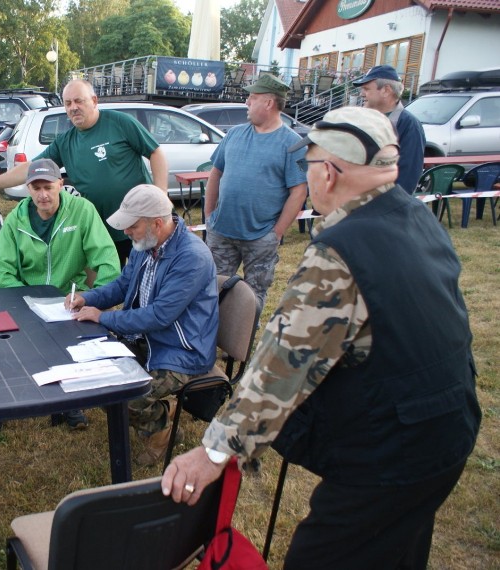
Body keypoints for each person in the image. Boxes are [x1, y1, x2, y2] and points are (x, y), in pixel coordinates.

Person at [162, 107, 480, 570]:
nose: (306, 177)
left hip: (394, 451)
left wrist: (212, 453)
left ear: (328, 173)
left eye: (308, 166)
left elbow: (282, 363)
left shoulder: (342, 253)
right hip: (447, 426)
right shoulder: (415, 215)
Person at [67, 184, 218, 466]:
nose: (126, 232)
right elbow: (123, 285)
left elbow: (159, 316)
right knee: (97, 382)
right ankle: (162, 413)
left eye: (131, 226)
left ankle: (160, 429)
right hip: (148, 340)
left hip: (182, 352)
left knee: (126, 398)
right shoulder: (145, 243)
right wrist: (88, 297)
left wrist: (102, 317)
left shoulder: (191, 258)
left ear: (157, 224)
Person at [0, 158, 121, 431]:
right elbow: (1, 267)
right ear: (27, 189)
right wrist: (22, 299)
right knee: (5, 346)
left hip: (67, 298)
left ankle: (71, 405)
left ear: (61, 184)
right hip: (25, 298)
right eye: (35, 188)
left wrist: (94, 297)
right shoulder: (16, 219)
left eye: (48, 186)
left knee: (70, 346)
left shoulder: (82, 211)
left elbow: (107, 259)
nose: (43, 194)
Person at [0, 79, 169, 265]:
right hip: (102, 230)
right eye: (68, 103)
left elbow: (155, 152)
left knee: (152, 276)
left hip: (139, 222)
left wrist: (160, 195)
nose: (73, 107)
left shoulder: (119, 122)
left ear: (94, 101)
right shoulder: (65, 143)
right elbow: (31, 169)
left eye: (79, 101)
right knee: (111, 284)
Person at [204, 74, 308, 312]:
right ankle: (208, 343)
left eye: (252, 98)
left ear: (269, 103)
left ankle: (239, 349)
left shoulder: (293, 144)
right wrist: (210, 217)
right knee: (211, 292)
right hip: (221, 232)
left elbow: (299, 192)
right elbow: (215, 174)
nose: (247, 103)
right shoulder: (234, 134)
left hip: (260, 237)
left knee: (253, 296)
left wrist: (276, 233)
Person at [353, 64, 426, 195]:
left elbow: (407, 175)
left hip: (381, 208)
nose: (362, 94)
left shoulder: (409, 125)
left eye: (366, 89)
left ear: (386, 90)